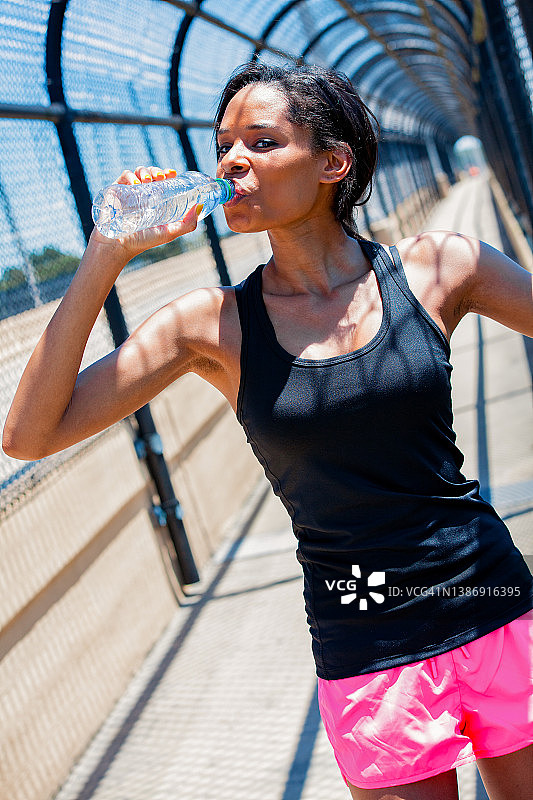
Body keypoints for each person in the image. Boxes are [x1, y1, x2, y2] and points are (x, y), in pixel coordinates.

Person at [3, 62, 533, 800]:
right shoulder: (211, 325)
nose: (231, 161)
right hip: (365, 641)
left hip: (491, 604)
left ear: (331, 163)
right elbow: (30, 435)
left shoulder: (440, 267)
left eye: (259, 140)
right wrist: (107, 250)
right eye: (223, 145)